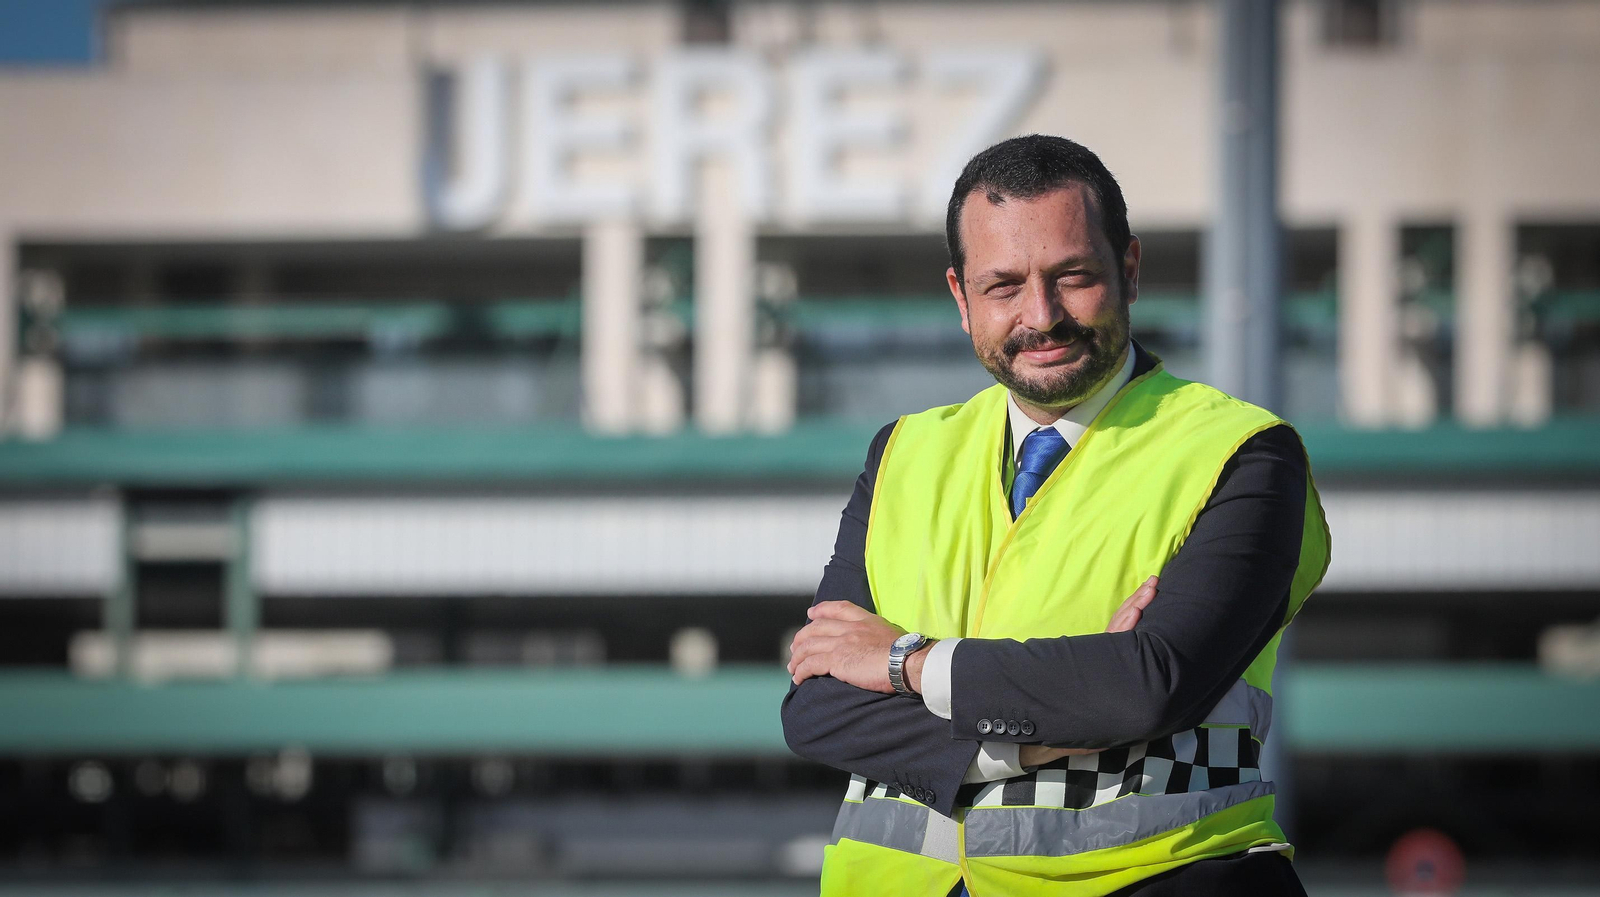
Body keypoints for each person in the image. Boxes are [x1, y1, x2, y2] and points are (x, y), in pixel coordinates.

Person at [780, 134, 1331, 896]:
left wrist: (907, 663)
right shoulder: (903, 452)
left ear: (1128, 270)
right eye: (1003, 286)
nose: (1041, 315)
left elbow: (1148, 685)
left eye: (1073, 277)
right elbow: (818, 708)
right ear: (960, 297)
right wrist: (1053, 726)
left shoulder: (1242, 453)